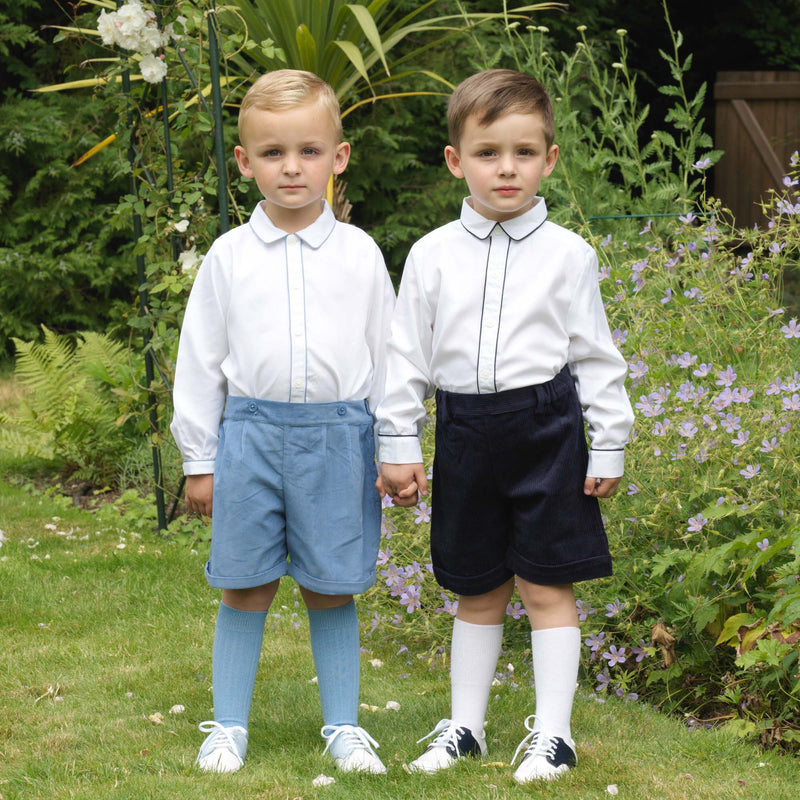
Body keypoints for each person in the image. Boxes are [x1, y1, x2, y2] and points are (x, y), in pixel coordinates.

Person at [376, 69, 634, 784]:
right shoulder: (431, 255)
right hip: (464, 431)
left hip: (547, 431)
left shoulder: (569, 254)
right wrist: (397, 444)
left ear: (549, 158)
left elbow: (596, 357)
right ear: (457, 160)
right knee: (476, 586)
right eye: (489, 153)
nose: (507, 168)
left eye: (524, 152)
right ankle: (465, 726)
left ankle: (555, 736)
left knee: (548, 585)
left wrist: (608, 439)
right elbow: (405, 359)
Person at [170, 69, 395, 776]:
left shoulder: (359, 255)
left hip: (338, 439)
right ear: (243, 162)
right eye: (272, 153)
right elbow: (201, 361)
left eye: (308, 150)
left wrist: (396, 444)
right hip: (250, 440)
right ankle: (228, 727)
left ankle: (345, 729)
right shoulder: (229, 258)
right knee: (245, 582)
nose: (291, 167)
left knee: (330, 584)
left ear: (339, 157)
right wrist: (199, 458)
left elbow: (389, 357)